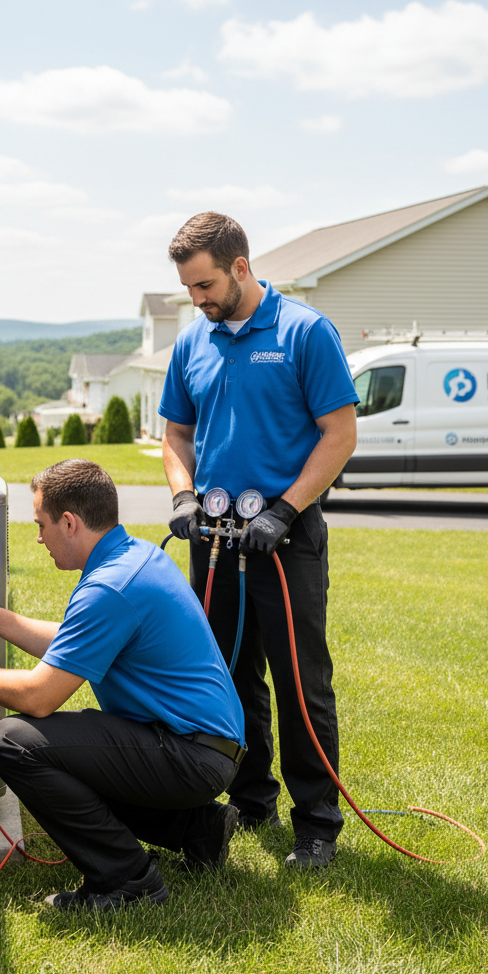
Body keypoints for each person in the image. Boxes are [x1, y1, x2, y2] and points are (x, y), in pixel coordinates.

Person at [0, 459, 246, 911]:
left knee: (16, 743)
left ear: (69, 522)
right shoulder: (132, 557)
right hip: (205, 747)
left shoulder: (109, 587)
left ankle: (128, 881)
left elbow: (39, 697)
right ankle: (198, 830)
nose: (38, 538)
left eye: (41, 525)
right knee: (73, 751)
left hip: (191, 754)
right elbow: (78, 643)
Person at [159, 212, 358, 870]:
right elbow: (175, 437)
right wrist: (183, 495)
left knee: (302, 683)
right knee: (227, 675)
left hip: (283, 536)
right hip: (211, 537)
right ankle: (251, 799)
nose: (198, 299)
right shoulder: (194, 343)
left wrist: (286, 509)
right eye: (189, 288)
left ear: (241, 267)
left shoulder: (305, 332)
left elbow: (339, 435)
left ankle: (318, 823)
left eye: (206, 284)